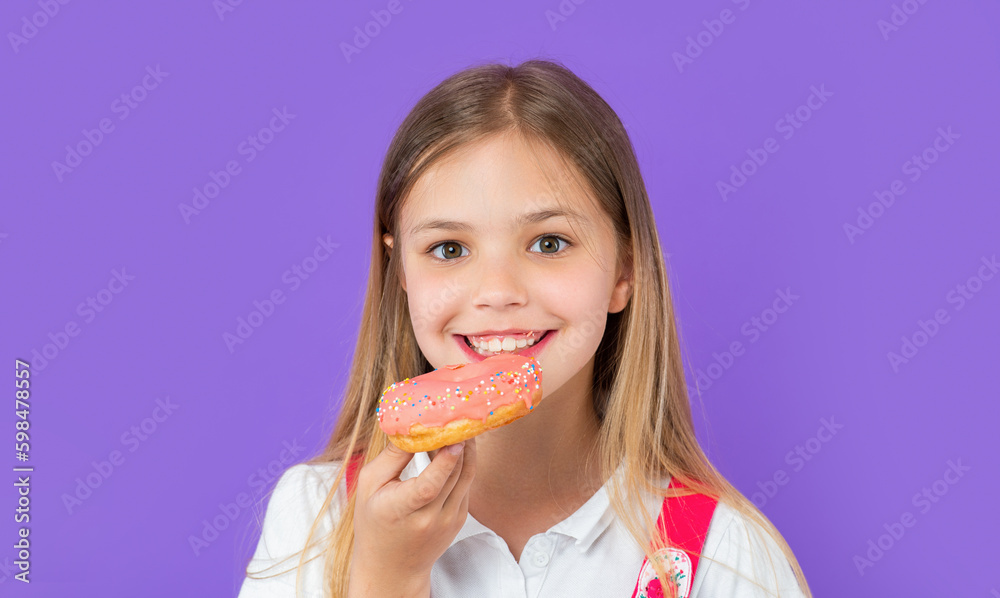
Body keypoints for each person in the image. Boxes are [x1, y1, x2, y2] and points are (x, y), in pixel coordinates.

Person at [238, 59, 813, 598]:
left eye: (549, 243)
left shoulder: (722, 553)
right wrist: (384, 578)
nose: (497, 292)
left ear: (624, 271)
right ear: (400, 273)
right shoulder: (314, 519)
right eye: (449, 248)